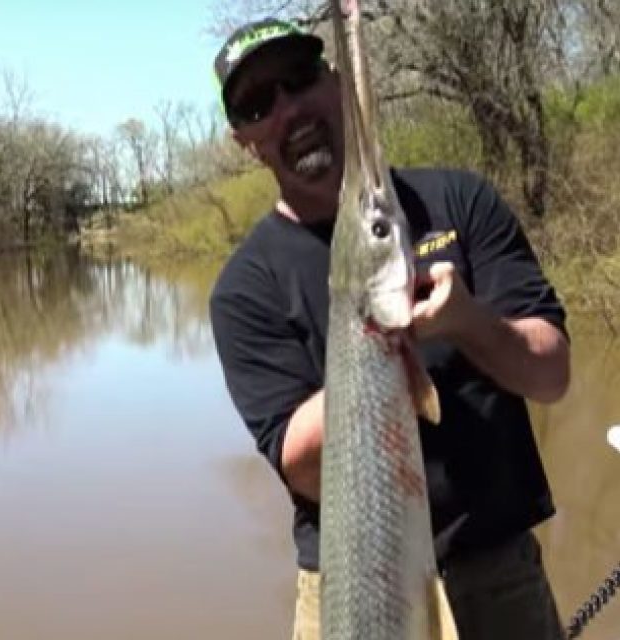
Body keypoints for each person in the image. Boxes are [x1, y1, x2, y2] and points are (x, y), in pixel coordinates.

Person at [207, 18, 572, 640]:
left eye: (298, 81)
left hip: (498, 572)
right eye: (259, 103)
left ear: (335, 83)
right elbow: (298, 464)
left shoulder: (462, 201)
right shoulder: (245, 289)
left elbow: (551, 373)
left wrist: (465, 322)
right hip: (349, 583)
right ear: (245, 140)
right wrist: (374, 342)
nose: (288, 110)